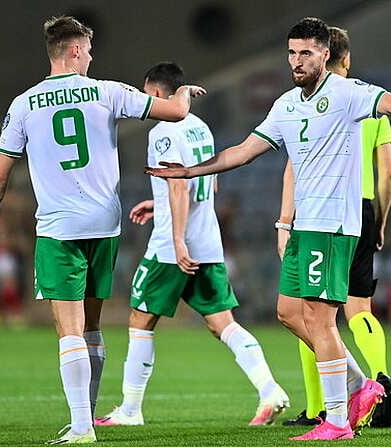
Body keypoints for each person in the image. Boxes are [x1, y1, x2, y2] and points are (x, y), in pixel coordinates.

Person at [146, 17, 391, 441]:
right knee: (288, 313)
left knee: (320, 320)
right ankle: (362, 386)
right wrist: (190, 171)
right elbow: (244, 151)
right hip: (304, 223)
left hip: (333, 224)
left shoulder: (346, 94)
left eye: (306, 53)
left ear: (325, 55)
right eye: (292, 53)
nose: (296, 61)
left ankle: (337, 421)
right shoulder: (285, 104)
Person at [0, 16, 205, 445]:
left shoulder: (24, 103)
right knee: (93, 327)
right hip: (104, 225)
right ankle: (89, 416)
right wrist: (182, 92)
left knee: (69, 329)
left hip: (59, 228)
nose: (91, 57)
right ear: (77, 50)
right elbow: (174, 112)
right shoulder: (108, 91)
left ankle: (82, 426)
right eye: (89, 50)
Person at [94, 62, 289, 428]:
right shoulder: (200, 127)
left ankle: (131, 410)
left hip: (174, 244)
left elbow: (180, 185)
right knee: (223, 323)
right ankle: (270, 390)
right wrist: (160, 203)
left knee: (140, 319)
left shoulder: (163, 131)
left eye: (144, 93)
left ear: (156, 94)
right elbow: (208, 182)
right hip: (208, 239)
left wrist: (178, 238)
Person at [278, 26, 391, 429]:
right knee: (356, 308)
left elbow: (296, 163)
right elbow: (389, 174)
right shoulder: (366, 105)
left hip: (325, 212)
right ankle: (377, 380)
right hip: (361, 211)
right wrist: (380, 220)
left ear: (327, 56)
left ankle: (322, 406)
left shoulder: (320, 102)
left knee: (315, 312)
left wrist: (283, 220)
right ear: (347, 59)